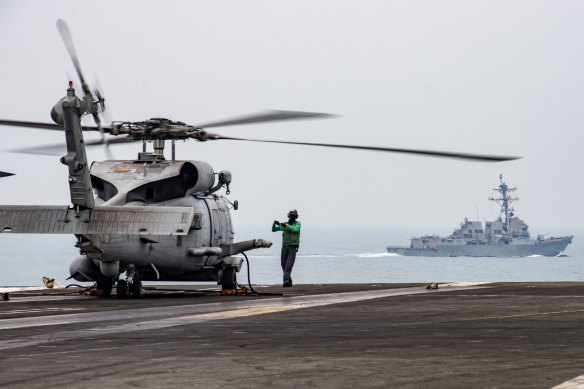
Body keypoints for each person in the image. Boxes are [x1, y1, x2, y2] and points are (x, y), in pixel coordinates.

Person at [272, 209, 301, 287]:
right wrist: (275, 224)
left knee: (288, 265)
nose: (291, 217)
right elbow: (274, 230)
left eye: (293, 216)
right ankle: (289, 281)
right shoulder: (285, 224)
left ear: (295, 217)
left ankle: (286, 281)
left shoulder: (298, 224)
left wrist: (287, 226)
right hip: (284, 247)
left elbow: (296, 230)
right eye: (291, 216)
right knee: (283, 264)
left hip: (292, 248)